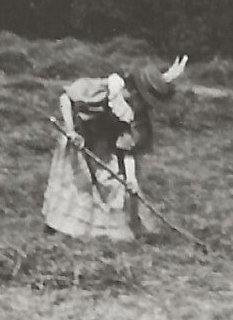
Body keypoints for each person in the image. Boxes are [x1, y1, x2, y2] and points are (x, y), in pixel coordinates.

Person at [44, 56, 188, 241]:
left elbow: (128, 149)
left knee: (113, 186)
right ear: (134, 91)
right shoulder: (107, 89)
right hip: (80, 141)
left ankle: (97, 231)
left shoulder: (135, 116)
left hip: (105, 148)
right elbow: (66, 98)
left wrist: (131, 180)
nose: (142, 105)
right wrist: (71, 131)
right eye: (141, 99)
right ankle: (58, 228)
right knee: (78, 186)